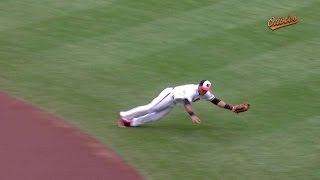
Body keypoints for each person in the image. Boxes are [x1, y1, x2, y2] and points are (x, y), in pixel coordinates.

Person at [118, 80, 249, 127]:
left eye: (206, 90)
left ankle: (131, 123)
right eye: (203, 89)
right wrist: (192, 115)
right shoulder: (192, 91)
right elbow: (186, 102)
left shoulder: (205, 93)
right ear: (199, 86)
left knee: (155, 117)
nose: (204, 92)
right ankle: (125, 115)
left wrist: (232, 108)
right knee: (150, 108)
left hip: (173, 103)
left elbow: (216, 101)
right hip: (169, 95)